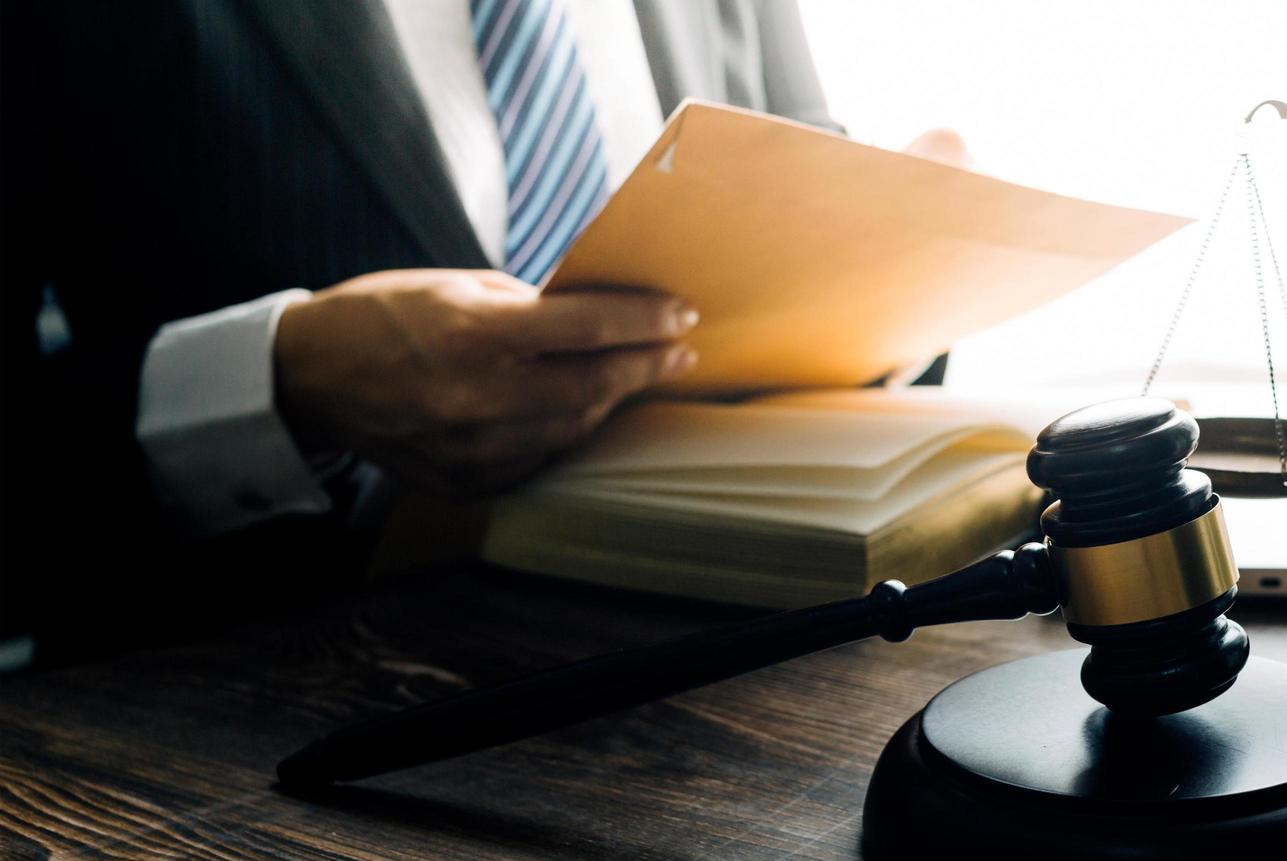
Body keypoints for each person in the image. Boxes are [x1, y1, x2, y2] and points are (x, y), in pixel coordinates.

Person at [0, 0, 949, 662]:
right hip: (243, 728)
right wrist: (277, 386)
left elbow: (800, 188)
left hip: (742, 657)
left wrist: (901, 279)